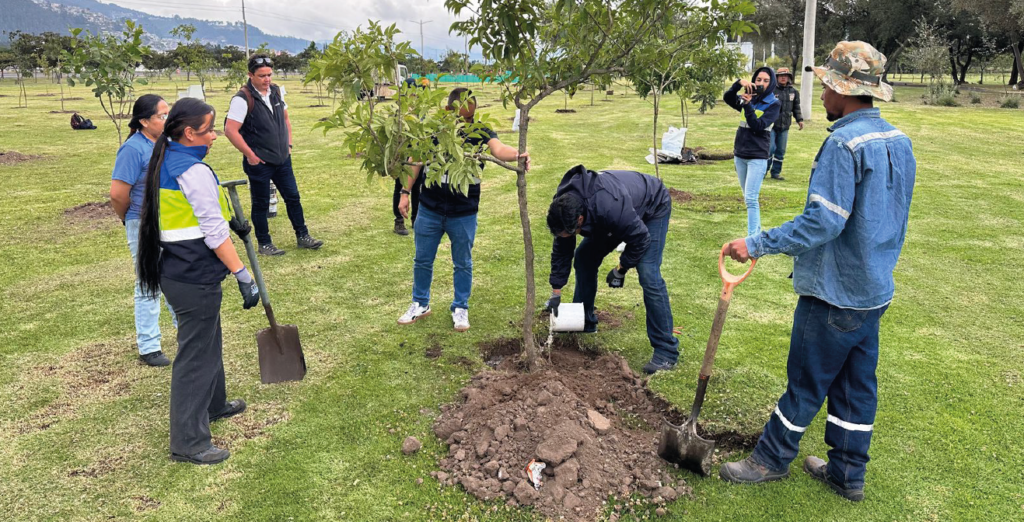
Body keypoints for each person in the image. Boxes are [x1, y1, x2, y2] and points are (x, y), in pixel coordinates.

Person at [718, 42, 916, 502]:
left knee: (807, 380)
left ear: (843, 92)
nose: (821, 94)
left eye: (826, 84)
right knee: (855, 386)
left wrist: (758, 243)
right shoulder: (897, 141)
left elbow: (824, 220)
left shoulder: (843, 144)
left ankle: (769, 459)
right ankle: (847, 473)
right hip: (874, 289)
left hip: (835, 292)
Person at [136, 98, 260, 465]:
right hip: (192, 274)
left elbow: (201, 212)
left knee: (209, 338)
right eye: (209, 130)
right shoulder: (192, 171)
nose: (216, 136)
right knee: (195, 356)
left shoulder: (169, 159)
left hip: (178, 268)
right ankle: (188, 441)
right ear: (189, 133)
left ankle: (215, 403)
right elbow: (212, 232)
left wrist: (232, 221)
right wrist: (243, 275)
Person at [396, 87, 529, 332]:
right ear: (448, 110)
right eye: (461, 117)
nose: (466, 123)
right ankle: (420, 303)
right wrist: (405, 193)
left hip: (464, 212)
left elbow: (498, 149)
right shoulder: (433, 131)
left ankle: (460, 307)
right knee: (422, 259)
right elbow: (415, 161)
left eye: (470, 118)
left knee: (463, 263)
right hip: (430, 208)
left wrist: (518, 155)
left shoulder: (480, 132)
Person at [544, 165, 678, 375]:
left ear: (580, 220)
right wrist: (556, 291)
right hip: (616, 211)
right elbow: (562, 248)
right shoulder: (563, 207)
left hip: (652, 204)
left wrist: (621, 268)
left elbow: (640, 238)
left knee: (648, 273)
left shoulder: (609, 207)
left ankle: (666, 351)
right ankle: (585, 320)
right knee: (584, 258)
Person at [224, 54, 323, 256]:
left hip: (282, 159)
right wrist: (250, 155)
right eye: (262, 76)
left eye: (269, 74)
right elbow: (230, 130)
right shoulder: (242, 99)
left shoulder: (276, 92)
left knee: (293, 197)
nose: (267, 79)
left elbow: (286, 118)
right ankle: (264, 243)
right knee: (261, 203)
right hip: (259, 162)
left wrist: (289, 144)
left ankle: (303, 236)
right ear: (250, 75)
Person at [110, 94, 177, 367]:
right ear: (144, 121)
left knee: (174, 276)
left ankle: (187, 332)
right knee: (148, 281)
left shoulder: (165, 143)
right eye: (161, 116)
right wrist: (129, 219)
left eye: (167, 114)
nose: (166, 119)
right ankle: (149, 346)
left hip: (170, 220)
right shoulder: (133, 149)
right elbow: (118, 195)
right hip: (142, 222)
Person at [724, 67, 780, 236]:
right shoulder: (749, 97)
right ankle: (756, 233)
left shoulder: (774, 104)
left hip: (757, 156)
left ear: (771, 84)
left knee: (751, 198)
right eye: (758, 79)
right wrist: (737, 84)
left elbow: (758, 126)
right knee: (748, 198)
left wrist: (747, 106)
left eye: (765, 80)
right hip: (740, 154)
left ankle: (752, 238)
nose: (761, 83)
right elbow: (728, 98)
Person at [391, 78, 427, 236]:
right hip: (403, 156)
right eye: (412, 92)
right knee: (400, 187)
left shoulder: (421, 113)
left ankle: (415, 219)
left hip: (418, 155)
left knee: (418, 186)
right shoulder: (399, 113)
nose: (414, 95)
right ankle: (399, 221)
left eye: (416, 93)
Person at [767, 67, 805, 181]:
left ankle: (776, 173)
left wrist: (799, 119)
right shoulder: (771, 90)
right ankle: (763, 170)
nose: (783, 77)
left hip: (785, 126)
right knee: (770, 149)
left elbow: (796, 107)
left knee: (781, 151)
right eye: (781, 75)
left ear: (789, 77)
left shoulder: (793, 92)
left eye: (785, 75)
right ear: (777, 77)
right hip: (771, 125)